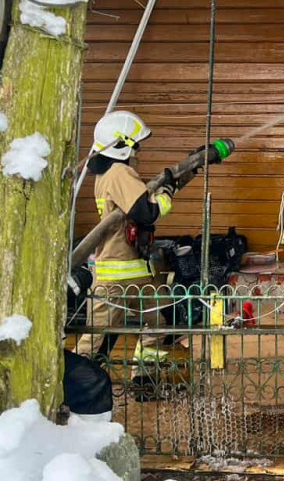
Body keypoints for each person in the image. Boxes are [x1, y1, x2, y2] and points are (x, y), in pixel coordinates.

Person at [74, 111, 177, 388]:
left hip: (132, 273)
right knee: (94, 338)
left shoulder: (108, 175)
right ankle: (74, 387)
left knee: (156, 320)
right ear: (121, 146)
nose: (138, 152)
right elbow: (146, 213)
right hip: (118, 276)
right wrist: (167, 192)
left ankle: (145, 377)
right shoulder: (120, 173)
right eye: (135, 146)